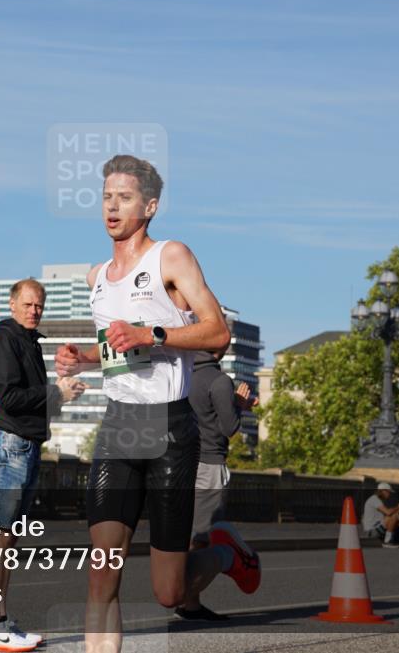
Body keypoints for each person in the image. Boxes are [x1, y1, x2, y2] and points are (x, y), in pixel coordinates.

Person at [55, 155, 260, 653]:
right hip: (119, 428)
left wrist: (151, 332)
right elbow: (120, 353)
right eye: (106, 197)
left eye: (124, 198)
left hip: (170, 430)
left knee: (168, 593)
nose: (112, 206)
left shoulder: (171, 257)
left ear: (149, 206)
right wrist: (85, 356)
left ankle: (223, 551)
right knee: (102, 574)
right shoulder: (96, 277)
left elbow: (217, 333)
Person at [0, 279, 85, 651]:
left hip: (26, 444)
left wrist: (62, 394)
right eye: (27, 304)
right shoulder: (5, 340)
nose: (33, 311)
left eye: (38, 305)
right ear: (11, 304)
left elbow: (33, 401)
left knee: (8, 538)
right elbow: (7, 397)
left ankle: (0, 620)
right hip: (9, 447)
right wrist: (55, 392)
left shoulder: (29, 342)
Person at [176, 349, 258, 621]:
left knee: (185, 536)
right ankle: (185, 598)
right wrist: (240, 406)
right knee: (202, 538)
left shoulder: (181, 375)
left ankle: (190, 603)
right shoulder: (219, 380)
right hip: (209, 464)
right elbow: (229, 427)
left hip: (180, 464)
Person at [361, 483, 399, 548]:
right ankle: (387, 542)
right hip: (372, 531)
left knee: (396, 516)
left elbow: (388, 515)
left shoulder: (379, 500)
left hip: (376, 528)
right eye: (389, 492)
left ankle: (398, 539)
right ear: (384, 491)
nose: (389, 495)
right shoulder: (375, 499)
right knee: (394, 516)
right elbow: (388, 513)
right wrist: (398, 507)